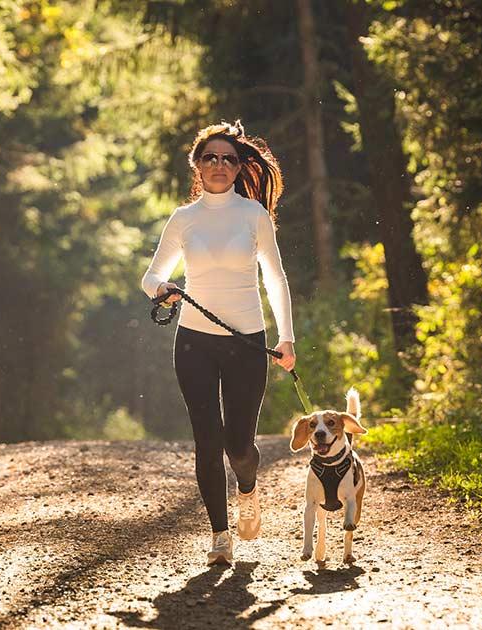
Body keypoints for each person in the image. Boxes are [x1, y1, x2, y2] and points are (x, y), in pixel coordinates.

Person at [140, 120, 296, 565]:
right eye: (211, 157)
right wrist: (162, 288)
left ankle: (247, 485)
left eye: (229, 158)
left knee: (239, 447)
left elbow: (276, 278)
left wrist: (286, 338)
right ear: (197, 164)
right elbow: (150, 275)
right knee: (207, 441)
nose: (220, 165)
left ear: (239, 165)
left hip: (248, 343)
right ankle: (219, 537)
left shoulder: (254, 215)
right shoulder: (183, 219)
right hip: (194, 343)